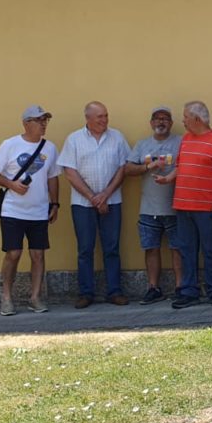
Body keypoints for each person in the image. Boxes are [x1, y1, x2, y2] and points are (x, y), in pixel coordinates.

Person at [0, 105, 60, 316]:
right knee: (13, 253)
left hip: (39, 211)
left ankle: (35, 297)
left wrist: (55, 204)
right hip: (13, 211)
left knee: (38, 254)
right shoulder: (10, 145)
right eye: (39, 120)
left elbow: (53, 177)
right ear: (26, 123)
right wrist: (11, 184)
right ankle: (6, 297)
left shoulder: (50, 148)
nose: (44, 124)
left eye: (46, 120)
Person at [58, 101, 130, 309]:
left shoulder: (117, 137)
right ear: (88, 118)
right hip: (82, 204)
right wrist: (93, 197)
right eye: (100, 117)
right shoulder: (74, 139)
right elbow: (70, 172)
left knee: (112, 248)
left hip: (112, 202)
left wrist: (105, 195)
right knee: (85, 249)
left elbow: (123, 168)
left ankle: (115, 291)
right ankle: (85, 293)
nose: (104, 120)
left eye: (106, 116)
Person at [162, 101, 212, 309]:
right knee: (186, 250)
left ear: (196, 118)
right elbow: (180, 166)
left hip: (206, 207)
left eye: (185, 116)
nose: (182, 120)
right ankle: (188, 291)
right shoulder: (185, 139)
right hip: (183, 206)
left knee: (210, 250)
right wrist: (168, 179)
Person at [124, 106, 183, 304]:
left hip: (176, 206)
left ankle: (180, 287)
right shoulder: (142, 145)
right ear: (151, 123)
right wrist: (148, 166)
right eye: (157, 119)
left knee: (178, 248)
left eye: (165, 118)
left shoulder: (180, 142)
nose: (161, 122)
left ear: (171, 123)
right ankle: (153, 287)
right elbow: (128, 169)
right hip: (149, 207)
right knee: (151, 248)